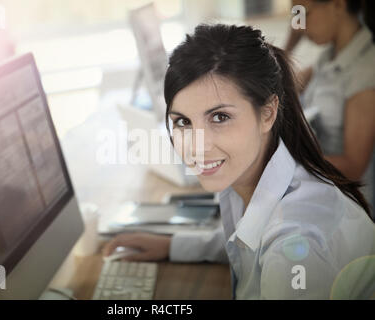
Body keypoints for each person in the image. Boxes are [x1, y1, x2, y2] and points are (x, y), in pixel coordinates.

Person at [103, 24, 375, 299]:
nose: (198, 146)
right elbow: (247, 240)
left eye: (220, 117)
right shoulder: (252, 175)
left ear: (268, 114)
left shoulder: (294, 251)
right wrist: (175, 245)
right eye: (183, 121)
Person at [286, 0, 375, 211]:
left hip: (348, 211)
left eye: (303, 13)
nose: (299, 24)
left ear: (337, 5)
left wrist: (287, 161)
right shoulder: (326, 58)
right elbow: (279, 88)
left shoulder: (365, 70)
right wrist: (291, 42)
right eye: (295, 16)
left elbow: (353, 167)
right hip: (321, 197)